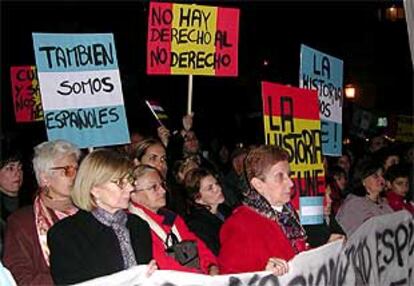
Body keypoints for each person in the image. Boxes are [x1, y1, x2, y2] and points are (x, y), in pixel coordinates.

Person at [47, 149, 155, 285]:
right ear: (94, 189)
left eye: (130, 180)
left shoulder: (138, 226)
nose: (129, 188)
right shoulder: (66, 234)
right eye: (120, 183)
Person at [219, 145, 308, 275]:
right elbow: (231, 278)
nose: (290, 183)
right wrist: (263, 274)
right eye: (280, 177)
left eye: (289, 175)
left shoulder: (288, 213)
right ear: (258, 185)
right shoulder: (240, 224)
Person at [3, 140, 81, 285]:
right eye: (68, 170)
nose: (75, 176)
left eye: (77, 169)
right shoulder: (22, 222)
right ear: (45, 178)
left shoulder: (90, 211)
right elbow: (19, 276)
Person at [129, 165, 219, 275]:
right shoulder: (134, 225)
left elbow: (199, 246)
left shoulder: (172, 218)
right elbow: (164, 266)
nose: (163, 191)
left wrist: (211, 266)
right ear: (134, 195)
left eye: (162, 185)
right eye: (153, 187)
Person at [336, 160, 393, 237]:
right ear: (363, 181)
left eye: (382, 175)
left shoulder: (384, 203)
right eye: (375, 176)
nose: (381, 179)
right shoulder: (353, 204)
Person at [184, 168, 231, 256]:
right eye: (210, 188)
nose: (218, 188)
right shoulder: (197, 225)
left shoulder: (225, 209)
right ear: (198, 199)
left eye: (216, 184)